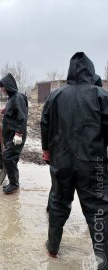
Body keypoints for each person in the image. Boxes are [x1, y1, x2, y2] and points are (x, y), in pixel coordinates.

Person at [41, 52, 108, 269]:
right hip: (93, 164)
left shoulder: (55, 96)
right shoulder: (100, 95)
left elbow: (45, 123)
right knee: (98, 210)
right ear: (90, 70)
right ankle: (103, 262)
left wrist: (46, 150)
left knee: (58, 204)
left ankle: (52, 248)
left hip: (61, 161)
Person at [45, 73, 104, 213]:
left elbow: (47, 125)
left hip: (63, 156)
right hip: (87, 157)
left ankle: (52, 210)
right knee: (93, 197)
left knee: (58, 188)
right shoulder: (96, 98)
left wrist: (47, 150)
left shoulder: (60, 96)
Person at [0, 73, 28, 194]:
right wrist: (4, 111)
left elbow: (22, 117)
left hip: (16, 135)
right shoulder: (12, 98)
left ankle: (14, 184)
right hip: (10, 134)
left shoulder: (18, 97)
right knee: (12, 158)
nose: (1, 89)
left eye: (2, 87)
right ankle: (13, 182)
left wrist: (19, 134)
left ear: (7, 86)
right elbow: (13, 112)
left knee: (8, 157)